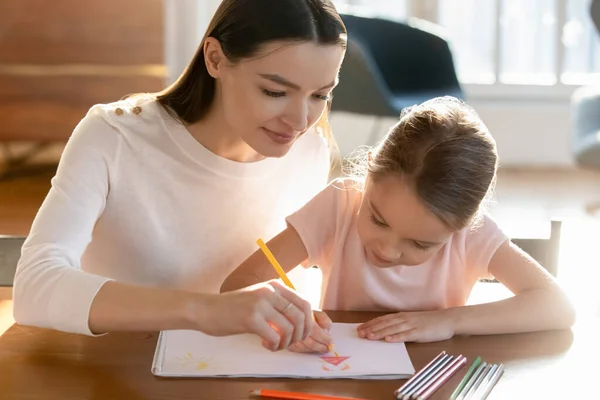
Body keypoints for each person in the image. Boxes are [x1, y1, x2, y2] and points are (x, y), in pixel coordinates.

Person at [12, 0, 347, 352]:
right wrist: (205, 310)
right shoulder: (114, 136)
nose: (299, 121)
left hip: (240, 371)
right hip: (114, 368)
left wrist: (293, 317)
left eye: (320, 95)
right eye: (275, 92)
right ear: (215, 59)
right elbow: (35, 286)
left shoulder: (310, 150)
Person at [221, 96, 576, 350]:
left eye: (421, 244)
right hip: (339, 376)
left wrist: (447, 321)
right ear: (370, 169)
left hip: (431, 379)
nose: (387, 251)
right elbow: (238, 284)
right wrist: (286, 317)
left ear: (465, 225)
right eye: (377, 218)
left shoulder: (471, 235)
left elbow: (557, 307)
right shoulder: (340, 203)